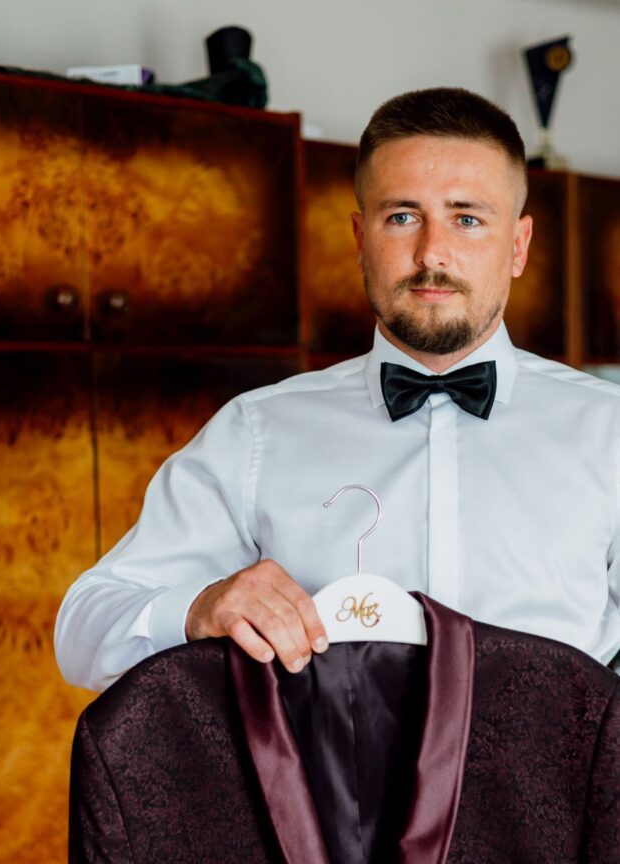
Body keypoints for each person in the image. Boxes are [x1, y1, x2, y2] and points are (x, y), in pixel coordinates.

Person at [55, 86, 620, 693]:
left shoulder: (609, 429)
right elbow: (83, 632)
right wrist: (198, 607)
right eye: (402, 217)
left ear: (518, 246)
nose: (432, 253)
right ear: (359, 238)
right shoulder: (255, 433)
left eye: (467, 219)